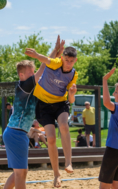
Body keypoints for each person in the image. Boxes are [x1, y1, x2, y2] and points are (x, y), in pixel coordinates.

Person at [3, 35, 63, 189]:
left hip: (17, 132)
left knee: (20, 172)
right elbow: (42, 71)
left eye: (33, 72)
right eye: (31, 73)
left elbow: (45, 70)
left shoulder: (28, 87)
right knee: (21, 173)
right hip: (16, 133)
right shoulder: (23, 85)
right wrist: (53, 52)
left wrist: (55, 55)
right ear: (21, 75)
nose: (34, 75)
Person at [24, 44, 78, 187]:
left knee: (64, 125)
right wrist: (36, 55)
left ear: (75, 61)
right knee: (52, 139)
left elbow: (71, 101)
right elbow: (46, 60)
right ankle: (56, 174)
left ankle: (68, 162)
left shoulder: (73, 74)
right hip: (43, 105)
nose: (68, 64)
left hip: (60, 103)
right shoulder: (56, 63)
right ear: (62, 58)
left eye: (71, 61)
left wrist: (72, 94)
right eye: (66, 60)